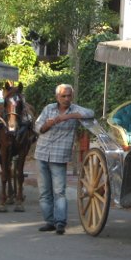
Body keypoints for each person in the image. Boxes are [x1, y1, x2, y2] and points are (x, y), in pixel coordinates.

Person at [33, 84, 94, 235]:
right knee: (44, 192)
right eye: (63, 96)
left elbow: (91, 113)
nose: (66, 99)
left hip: (59, 156)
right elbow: (37, 127)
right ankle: (49, 221)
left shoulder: (75, 109)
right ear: (57, 97)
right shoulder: (48, 109)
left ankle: (60, 222)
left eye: (69, 96)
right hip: (42, 153)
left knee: (59, 191)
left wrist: (67, 117)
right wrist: (49, 123)